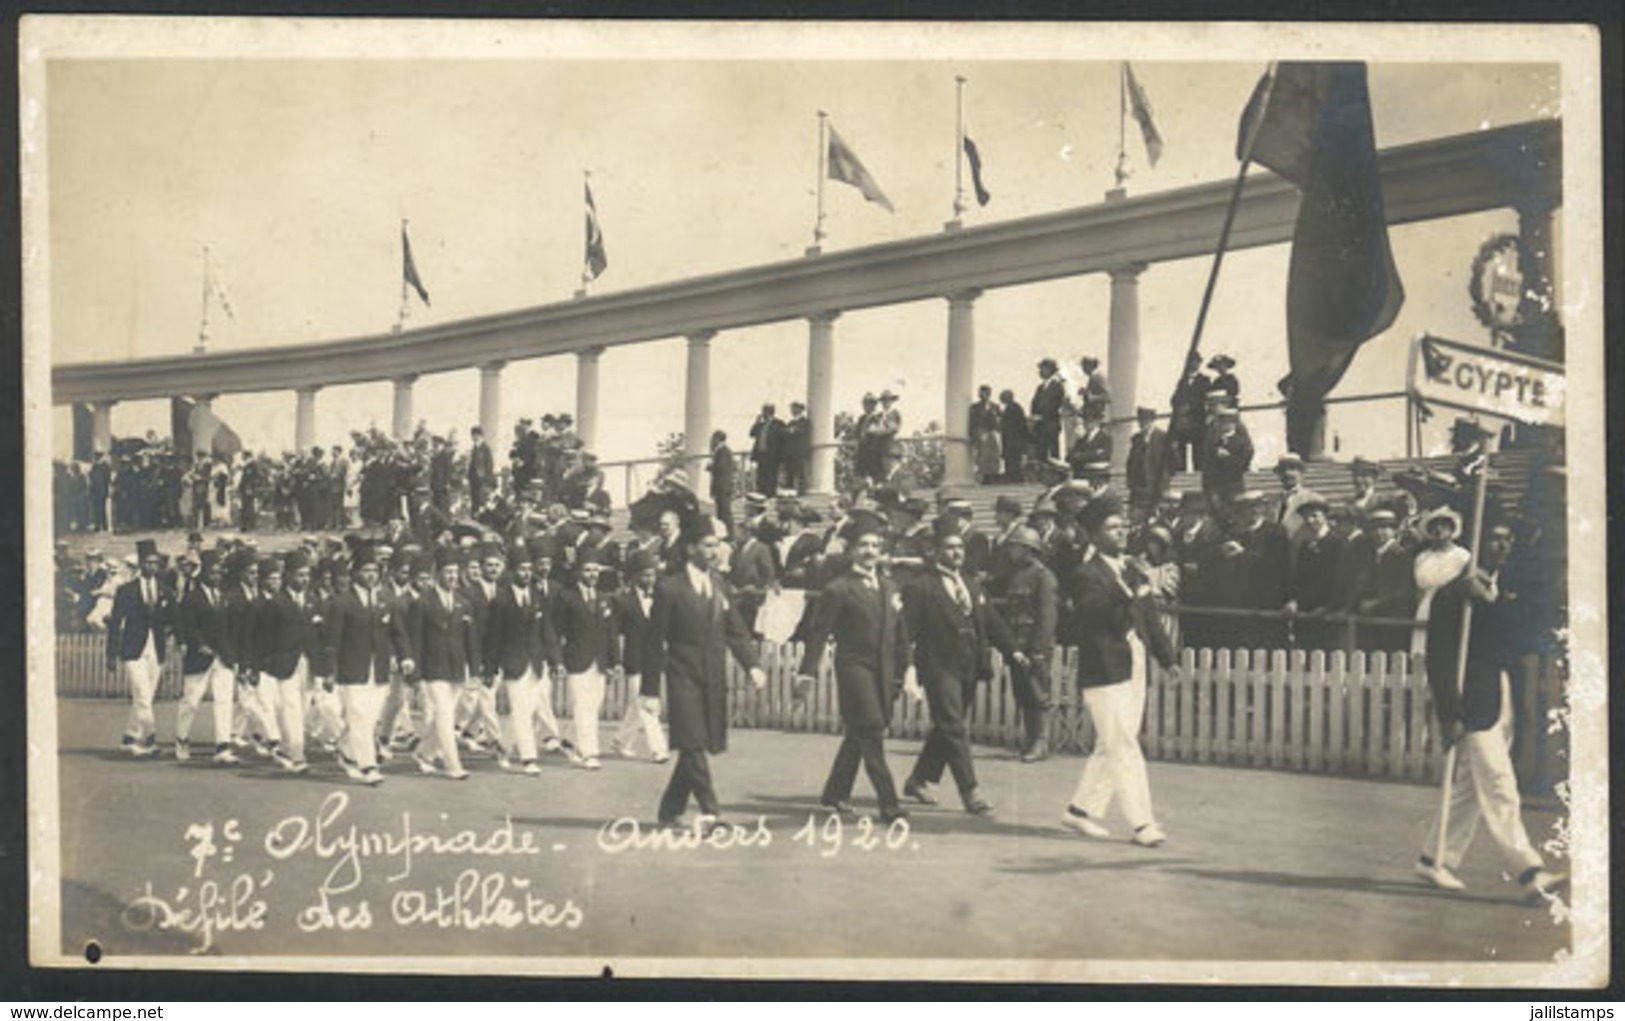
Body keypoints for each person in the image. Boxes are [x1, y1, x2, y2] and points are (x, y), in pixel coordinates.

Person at [1414, 521, 1567, 901]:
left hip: (1501, 698)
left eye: (1507, 538)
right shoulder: (1452, 595)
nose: (1502, 544)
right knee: (1500, 785)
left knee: (1468, 788)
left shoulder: (1500, 590)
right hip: (1472, 702)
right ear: (1478, 542)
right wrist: (1450, 713)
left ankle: (1434, 858)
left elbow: (1518, 640)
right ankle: (1529, 872)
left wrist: (1492, 602)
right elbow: (1439, 657)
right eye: (1494, 537)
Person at [1060, 501, 1179, 847]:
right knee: (1123, 746)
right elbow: (1095, 617)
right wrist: (1131, 593)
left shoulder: (1132, 569)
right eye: (1113, 527)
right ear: (1095, 534)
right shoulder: (1085, 575)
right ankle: (1142, 823)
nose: (1122, 531)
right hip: (1104, 668)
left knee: (1110, 744)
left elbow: (1150, 619)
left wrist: (1166, 657)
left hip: (1134, 663)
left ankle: (1079, 811)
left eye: (1123, 525)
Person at [645, 515, 766, 830]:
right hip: (681, 674)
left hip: (712, 677)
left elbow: (736, 631)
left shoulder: (719, 585)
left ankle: (670, 810)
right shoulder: (669, 588)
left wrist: (751, 664)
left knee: (693, 745)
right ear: (690, 549)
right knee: (693, 743)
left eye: (717, 546)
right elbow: (654, 641)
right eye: (708, 545)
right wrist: (649, 691)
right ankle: (711, 812)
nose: (714, 552)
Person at [797, 508, 911, 822]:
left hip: (884, 670)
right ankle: (889, 804)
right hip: (853, 668)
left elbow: (900, 632)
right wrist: (806, 672)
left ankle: (835, 793)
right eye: (863, 545)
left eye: (875, 545)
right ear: (850, 551)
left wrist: (908, 667)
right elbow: (818, 635)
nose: (870, 551)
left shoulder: (890, 588)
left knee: (860, 732)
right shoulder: (838, 589)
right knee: (872, 728)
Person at [900, 519, 1018, 817]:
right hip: (938, 666)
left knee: (946, 725)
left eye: (959, 548)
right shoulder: (920, 587)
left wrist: (1014, 651)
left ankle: (918, 780)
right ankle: (970, 790)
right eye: (949, 548)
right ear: (935, 551)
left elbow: (993, 622)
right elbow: (906, 633)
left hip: (969, 664)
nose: (956, 553)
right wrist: (907, 668)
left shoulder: (973, 584)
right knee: (953, 725)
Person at [327, 544, 412, 784]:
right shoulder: (341, 602)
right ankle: (368, 765)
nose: (371, 575)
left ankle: (345, 750)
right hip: (351, 669)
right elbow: (333, 640)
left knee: (367, 718)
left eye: (375, 570)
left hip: (380, 670)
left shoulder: (388, 600)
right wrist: (329, 671)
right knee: (359, 716)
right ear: (355, 573)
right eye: (365, 570)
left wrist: (406, 656)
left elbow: (399, 633)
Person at [482, 543, 560, 776]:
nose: (526, 573)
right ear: (512, 571)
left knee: (526, 710)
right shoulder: (501, 601)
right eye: (521, 569)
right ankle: (528, 758)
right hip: (513, 664)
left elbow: (548, 631)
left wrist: (556, 661)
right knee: (520, 711)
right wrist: (490, 668)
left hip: (537, 664)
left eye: (528, 569)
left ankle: (503, 748)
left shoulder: (537, 597)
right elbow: (493, 638)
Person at [407, 546, 480, 780]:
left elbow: (471, 640)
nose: (452, 577)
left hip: (457, 668)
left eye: (455, 572)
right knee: (445, 716)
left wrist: (475, 669)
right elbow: (415, 640)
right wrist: (415, 675)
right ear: (437, 572)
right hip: (433, 669)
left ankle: (423, 753)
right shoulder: (423, 603)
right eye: (447, 572)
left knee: (443, 716)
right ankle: (453, 765)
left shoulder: (463, 602)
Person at [987, 526, 1057, 763]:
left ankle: (1041, 742)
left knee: (1039, 694)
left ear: (1029, 550)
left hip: (1033, 646)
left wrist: (1038, 649)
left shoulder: (1043, 576)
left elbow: (1047, 618)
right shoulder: (1015, 575)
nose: (1012, 552)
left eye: (1016, 547)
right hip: (1017, 645)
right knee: (1024, 693)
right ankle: (1030, 738)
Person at [251, 552, 323, 774]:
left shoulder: (312, 600)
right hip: (284, 664)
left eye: (307, 575)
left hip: (309, 664)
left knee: (303, 708)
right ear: (289, 575)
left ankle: (284, 746)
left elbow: (319, 634)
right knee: (291, 708)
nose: (304, 579)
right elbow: (262, 637)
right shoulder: (276, 604)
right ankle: (297, 755)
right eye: (300, 575)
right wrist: (258, 666)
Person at [551, 546, 618, 769]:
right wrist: (557, 661)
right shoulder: (567, 598)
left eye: (596, 570)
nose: (592, 574)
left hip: (599, 663)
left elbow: (611, 634)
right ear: (579, 571)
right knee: (582, 706)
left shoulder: (604, 599)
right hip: (576, 660)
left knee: (593, 705)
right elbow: (556, 632)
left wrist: (614, 662)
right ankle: (589, 752)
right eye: (588, 570)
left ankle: (569, 741)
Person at [104, 539, 173, 757]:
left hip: (156, 649)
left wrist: (172, 633)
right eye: (149, 563)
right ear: (141, 563)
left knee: (145, 697)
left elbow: (172, 618)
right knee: (143, 694)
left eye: (156, 563)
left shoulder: (164, 590)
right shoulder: (126, 590)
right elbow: (115, 623)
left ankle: (129, 737)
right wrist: (111, 654)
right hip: (133, 649)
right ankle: (151, 739)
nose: (153, 567)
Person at [173, 550, 239, 764]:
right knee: (191, 701)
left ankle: (223, 746)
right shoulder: (192, 597)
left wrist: (231, 654)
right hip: (200, 657)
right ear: (203, 573)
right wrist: (199, 645)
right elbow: (187, 625)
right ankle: (182, 738)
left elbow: (230, 628)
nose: (216, 576)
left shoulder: (224, 597)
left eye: (219, 573)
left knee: (224, 701)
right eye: (212, 572)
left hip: (223, 658)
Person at [609, 550, 670, 764]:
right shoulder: (622, 600)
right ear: (634, 575)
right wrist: (615, 660)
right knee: (646, 705)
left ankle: (620, 741)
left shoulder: (663, 597)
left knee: (637, 705)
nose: (649, 579)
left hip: (656, 660)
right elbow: (612, 633)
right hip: (634, 659)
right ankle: (658, 749)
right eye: (644, 575)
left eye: (652, 574)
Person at [1284, 499, 1347, 650]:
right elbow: (1298, 578)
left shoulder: (1339, 543)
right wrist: (1293, 600)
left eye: (1315, 516)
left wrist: (1327, 607)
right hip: (1305, 613)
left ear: (1325, 517)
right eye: (1306, 517)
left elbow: (1342, 582)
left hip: (1328, 614)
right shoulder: (1305, 546)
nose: (1310, 521)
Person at [1126, 407, 1172, 521]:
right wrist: (1130, 481)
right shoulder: (1137, 439)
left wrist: (1164, 479)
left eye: (1146, 421)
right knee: (1135, 520)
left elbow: (1173, 460)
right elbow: (1130, 462)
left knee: (1154, 520)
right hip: (1138, 489)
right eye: (1140, 421)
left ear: (1152, 421)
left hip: (1156, 487)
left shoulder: (1162, 437)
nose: (1142, 424)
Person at [1201, 407, 1252, 508]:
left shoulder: (1240, 441)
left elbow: (1245, 458)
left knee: (1234, 507)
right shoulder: (1212, 438)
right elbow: (1205, 458)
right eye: (1222, 422)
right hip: (1214, 483)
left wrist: (1228, 458)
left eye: (1228, 422)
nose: (1224, 426)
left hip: (1233, 481)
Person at [1030, 359, 1067, 466]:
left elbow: (1054, 405)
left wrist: (1042, 416)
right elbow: (1035, 404)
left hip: (1051, 424)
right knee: (1041, 450)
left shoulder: (1057, 385)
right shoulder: (1040, 387)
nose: (1040, 372)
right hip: (1041, 425)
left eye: (1043, 369)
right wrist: (1034, 416)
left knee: (1053, 451)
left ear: (1050, 370)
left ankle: (1055, 476)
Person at [1068, 404, 1112, 479]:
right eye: (1085, 419)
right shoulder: (1082, 439)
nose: (1087, 422)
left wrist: (1082, 456)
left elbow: (1104, 456)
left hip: (1096, 477)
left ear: (1097, 421)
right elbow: (1072, 455)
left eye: (1090, 419)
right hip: (1079, 475)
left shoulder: (1105, 438)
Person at [969, 385, 1003, 484]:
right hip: (981, 432)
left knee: (994, 455)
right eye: (981, 393)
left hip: (993, 432)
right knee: (983, 456)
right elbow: (972, 423)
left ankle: (994, 476)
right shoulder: (975, 407)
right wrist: (973, 436)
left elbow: (999, 420)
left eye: (986, 393)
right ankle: (985, 477)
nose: (983, 395)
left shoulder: (995, 406)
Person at [748, 403, 782, 497]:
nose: (763, 414)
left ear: (770, 412)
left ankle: (770, 495)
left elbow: (782, 439)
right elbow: (752, 434)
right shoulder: (760, 425)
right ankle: (762, 494)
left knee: (771, 476)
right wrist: (756, 422)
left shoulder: (778, 423)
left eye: (765, 411)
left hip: (772, 455)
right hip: (761, 454)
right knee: (761, 476)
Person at [707, 429, 737, 535]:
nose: (711, 442)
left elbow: (721, 467)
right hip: (722, 486)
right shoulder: (722, 451)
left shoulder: (723, 451)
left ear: (718, 439)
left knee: (724, 513)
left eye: (713, 439)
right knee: (721, 512)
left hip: (722, 487)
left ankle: (729, 534)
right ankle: (725, 533)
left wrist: (711, 466)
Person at [997, 389, 1028, 482]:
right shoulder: (1012, 408)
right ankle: (1013, 476)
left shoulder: (1014, 408)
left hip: (1013, 440)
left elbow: (1019, 425)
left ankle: (1015, 477)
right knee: (1011, 458)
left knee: (1013, 459)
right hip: (1010, 439)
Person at [781, 401, 811, 496]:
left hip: (800, 453)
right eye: (792, 409)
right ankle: (790, 494)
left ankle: (802, 493)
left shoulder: (805, 422)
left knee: (801, 474)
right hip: (790, 453)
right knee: (789, 475)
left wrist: (794, 430)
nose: (792, 411)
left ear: (800, 410)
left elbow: (804, 431)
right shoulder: (791, 422)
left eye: (794, 409)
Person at [468, 426, 495, 515]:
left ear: (480, 436)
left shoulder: (485, 448)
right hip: (474, 479)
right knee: (474, 501)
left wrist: (486, 479)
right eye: (472, 435)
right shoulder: (474, 448)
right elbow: (472, 464)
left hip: (482, 480)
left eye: (475, 435)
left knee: (481, 501)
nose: (473, 437)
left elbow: (489, 465)